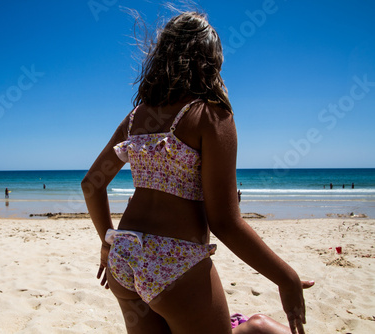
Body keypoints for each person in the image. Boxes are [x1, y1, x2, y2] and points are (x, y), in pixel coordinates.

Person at [81, 10, 313, 334]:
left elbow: (92, 183)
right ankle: (255, 327)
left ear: (161, 56)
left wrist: (107, 242)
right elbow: (225, 223)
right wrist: (285, 279)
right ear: (211, 60)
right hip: (174, 261)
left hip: (125, 254)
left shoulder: (136, 117)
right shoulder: (210, 114)